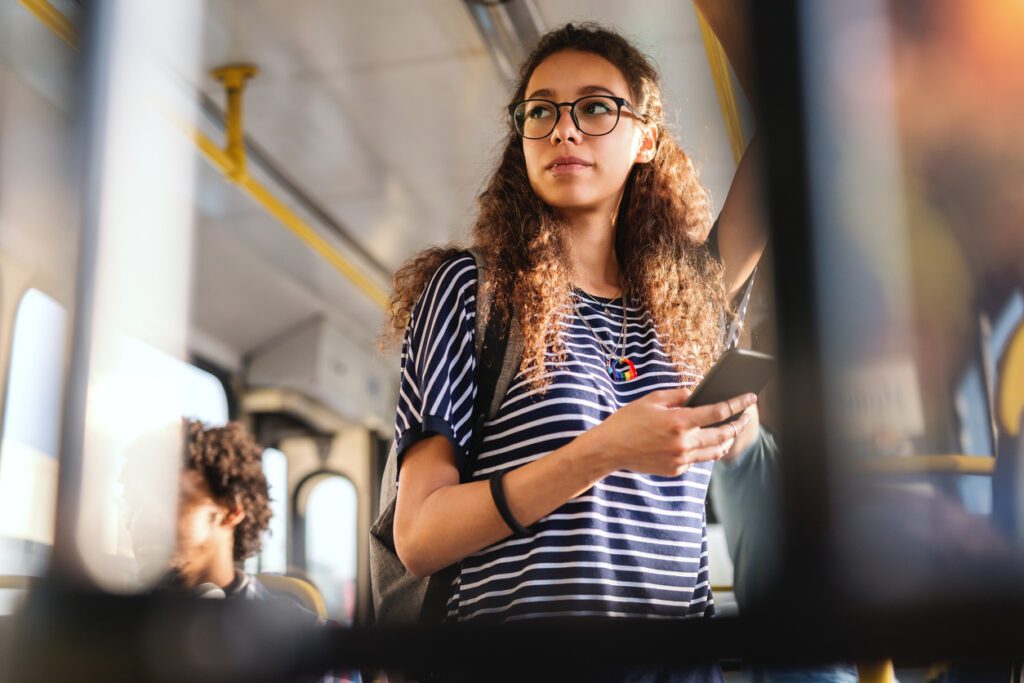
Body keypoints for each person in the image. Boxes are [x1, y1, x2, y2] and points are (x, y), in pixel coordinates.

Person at [382, 17, 766, 683]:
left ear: (646, 137)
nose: (564, 129)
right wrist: (606, 449)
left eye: (594, 107)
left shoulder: (692, 303)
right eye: (542, 111)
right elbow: (419, 535)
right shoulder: (472, 292)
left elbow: (797, 136)